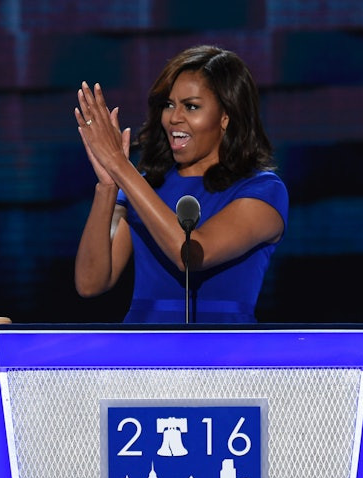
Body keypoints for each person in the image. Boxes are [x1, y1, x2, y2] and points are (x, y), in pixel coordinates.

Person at [74, 45, 288, 323]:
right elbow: (91, 283)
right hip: (144, 354)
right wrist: (107, 187)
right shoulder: (142, 187)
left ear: (226, 116)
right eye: (169, 105)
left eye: (191, 106)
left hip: (225, 355)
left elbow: (191, 255)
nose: (174, 118)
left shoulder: (263, 191)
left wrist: (120, 165)